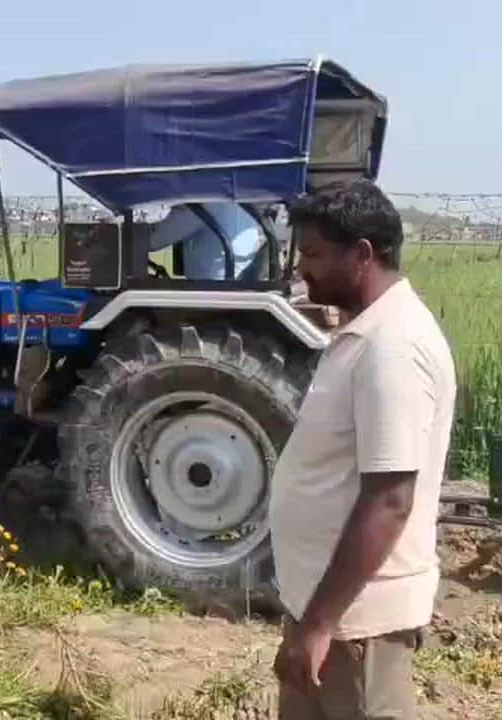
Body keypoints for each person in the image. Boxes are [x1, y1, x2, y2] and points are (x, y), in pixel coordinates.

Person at [269, 179, 456, 719]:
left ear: (363, 255)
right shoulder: (365, 335)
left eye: (313, 255)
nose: (302, 269)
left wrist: (321, 625)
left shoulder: (392, 348)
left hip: (356, 624)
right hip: (325, 612)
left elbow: (390, 498)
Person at [148, 202, 266, 280]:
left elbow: (152, 240)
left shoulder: (205, 203)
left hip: (209, 293)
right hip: (237, 284)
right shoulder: (241, 202)